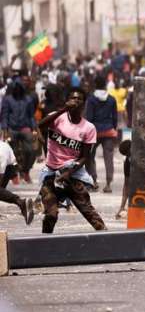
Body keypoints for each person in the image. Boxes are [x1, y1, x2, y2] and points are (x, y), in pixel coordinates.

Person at [37, 87, 107, 234]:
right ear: (67, 101)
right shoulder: (56, 117)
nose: (75, 101)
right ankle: (44, 243)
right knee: (51, 214)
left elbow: (84, 157)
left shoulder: (88, 128)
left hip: (73, 174)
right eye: (72, 98)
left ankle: (108, 243)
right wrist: (63, 110)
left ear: (84, 104)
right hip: (51, 174)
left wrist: (69, 172)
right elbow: (40, 125)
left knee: (89, 212)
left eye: (79, 99)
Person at [85, 76, 118, 193]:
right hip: (109, 131)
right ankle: (108, 184)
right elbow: (115, 118)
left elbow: (89, 118)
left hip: (94, 132)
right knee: (108, 157)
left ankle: (93, 181)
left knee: (90, 156)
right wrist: (113, 128)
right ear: (105, 85)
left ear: (95, 85)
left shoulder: (91, 99)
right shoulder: (112, 99)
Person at [1, 80, 37, 183]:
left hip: (25, 127)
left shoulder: (28, 100)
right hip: (12, 128)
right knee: (10, 152)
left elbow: (31, 116)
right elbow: (5, 115)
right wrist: (5, 129)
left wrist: (34, 128)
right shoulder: (7, 100)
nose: (17, 90)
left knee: (31, 151)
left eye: (19, 88)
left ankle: (26, 170)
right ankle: (13, 174)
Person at [0, 138, 33, 224]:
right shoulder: (4, 145)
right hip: (10, 165)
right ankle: (20, 202)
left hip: (7, 168)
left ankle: (21, 202)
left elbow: (1, 175)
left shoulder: (1, 153)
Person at [115, 139, 131, 220]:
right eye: (128, 156)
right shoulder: (128, 162)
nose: (130, 157)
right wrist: (122, 207)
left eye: (130, 154)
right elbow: (126, 185)